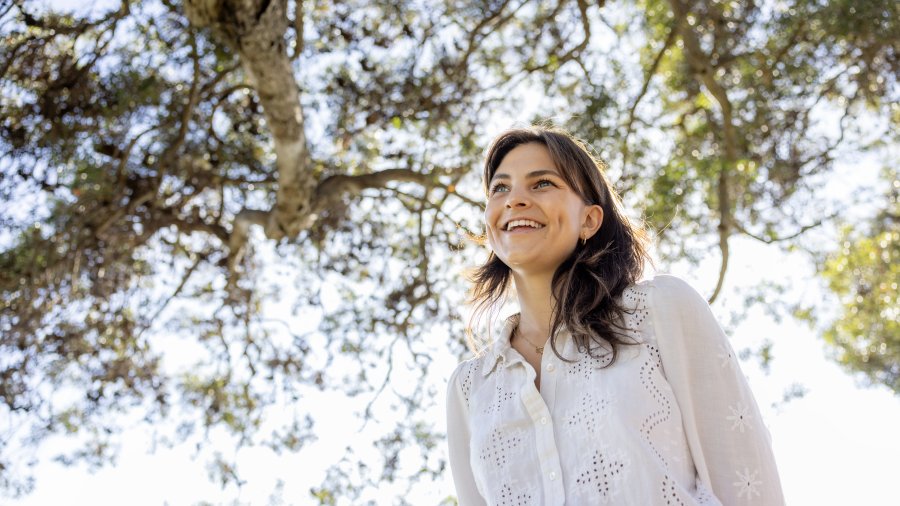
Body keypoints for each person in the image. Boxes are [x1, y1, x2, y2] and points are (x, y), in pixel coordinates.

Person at [446, 125, 784, 505]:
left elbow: (747, 484)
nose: (515, 200)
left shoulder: (661, 311)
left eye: (541, 183)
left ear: (589, 220)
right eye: (500, 188)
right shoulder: (469, 388)